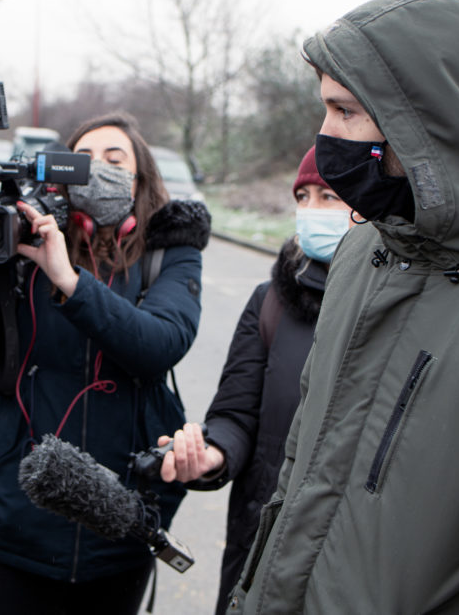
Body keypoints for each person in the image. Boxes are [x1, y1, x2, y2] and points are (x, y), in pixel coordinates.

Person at [216, 0, 459, 613]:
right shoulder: (363, 250)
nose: (324, 136)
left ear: (428, 122)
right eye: (325, 109)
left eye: (345, 112)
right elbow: (303, 472)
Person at [0, 112, 211, 615]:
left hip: (119, 518)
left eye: (115, 160)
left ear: (141, 179)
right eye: (81, 159)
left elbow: (159, 344)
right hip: (9, 517)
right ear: (57, 172)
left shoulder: (169, 250)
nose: (96, 169)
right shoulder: (23, 236)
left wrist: (69, 280)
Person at [158, 145, 360, 615]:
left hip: (352, 564)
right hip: (261, 549)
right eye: (303, 196)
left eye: (328, 196)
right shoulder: (269, 301)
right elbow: (236, 414)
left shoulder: (402, 312)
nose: (310, 211)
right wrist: (213, 453)